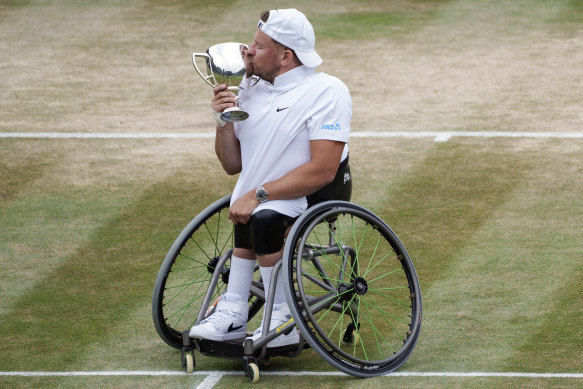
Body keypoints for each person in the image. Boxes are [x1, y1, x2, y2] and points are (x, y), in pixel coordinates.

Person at [189, 8, 352, 348]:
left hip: (317, 191)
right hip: (263, 193)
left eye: (258, 46)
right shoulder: (248, 87)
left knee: (261, 217)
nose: (247, 52)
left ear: (285, 56)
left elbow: (323, 169)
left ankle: (283, 318)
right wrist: (223, 120)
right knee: (247, 209)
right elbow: (232, 164)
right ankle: (233, 311)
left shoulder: (328, 91)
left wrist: (259, 194)